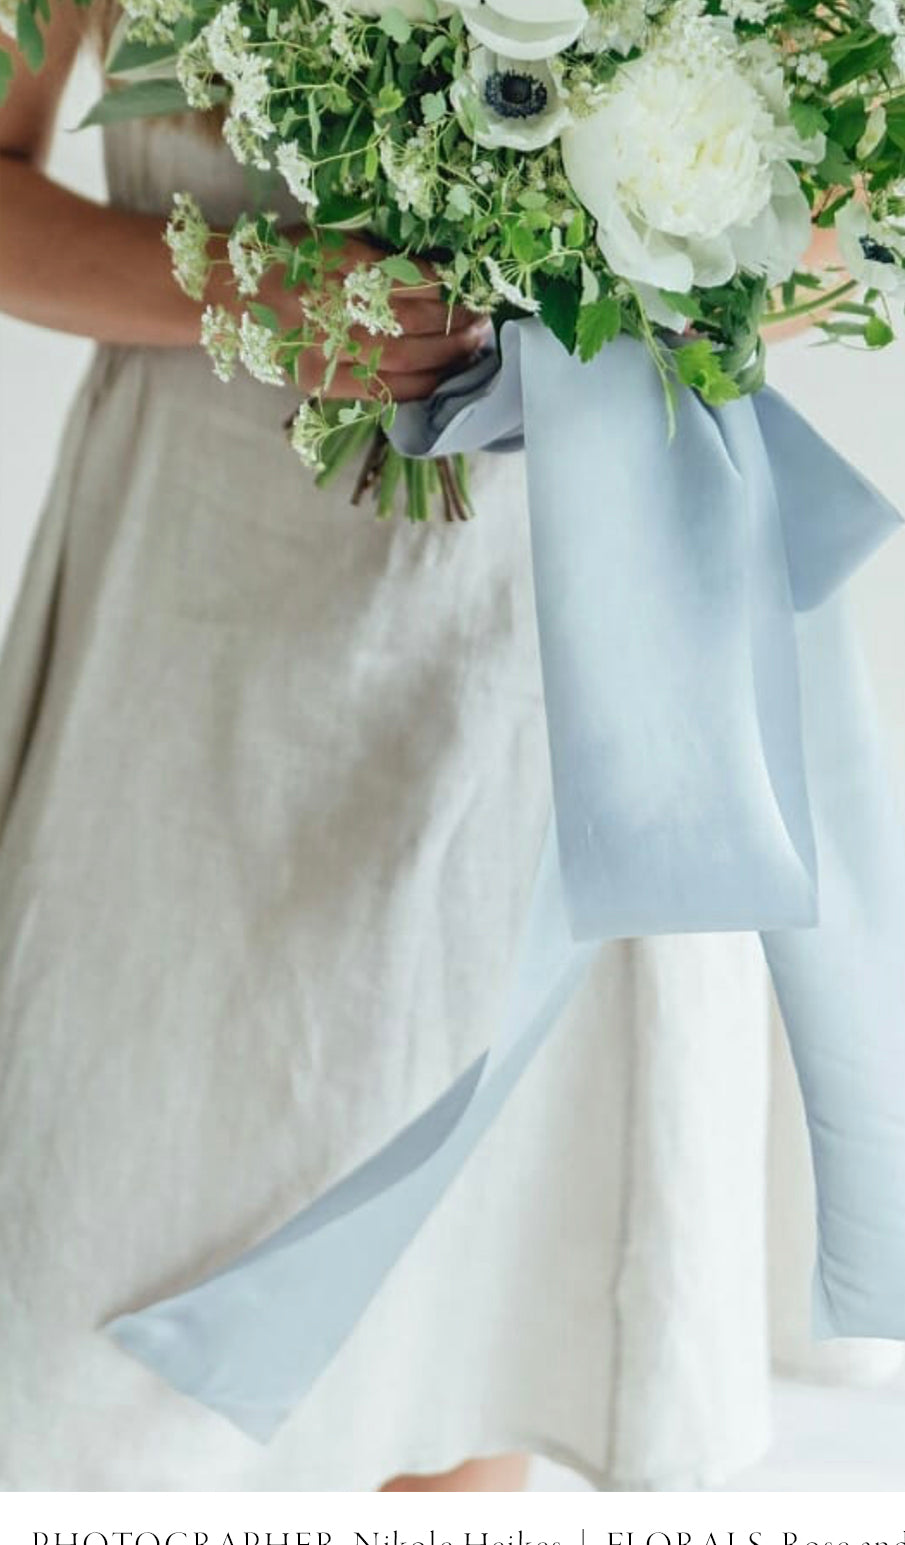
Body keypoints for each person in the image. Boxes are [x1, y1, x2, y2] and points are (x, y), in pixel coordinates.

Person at [0, 0, 858, 1493]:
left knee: (472, 1280)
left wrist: (586, 285)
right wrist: (262, 292)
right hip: (202, 599)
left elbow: (842, 220)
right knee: (115, 1220)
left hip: (554, 601)